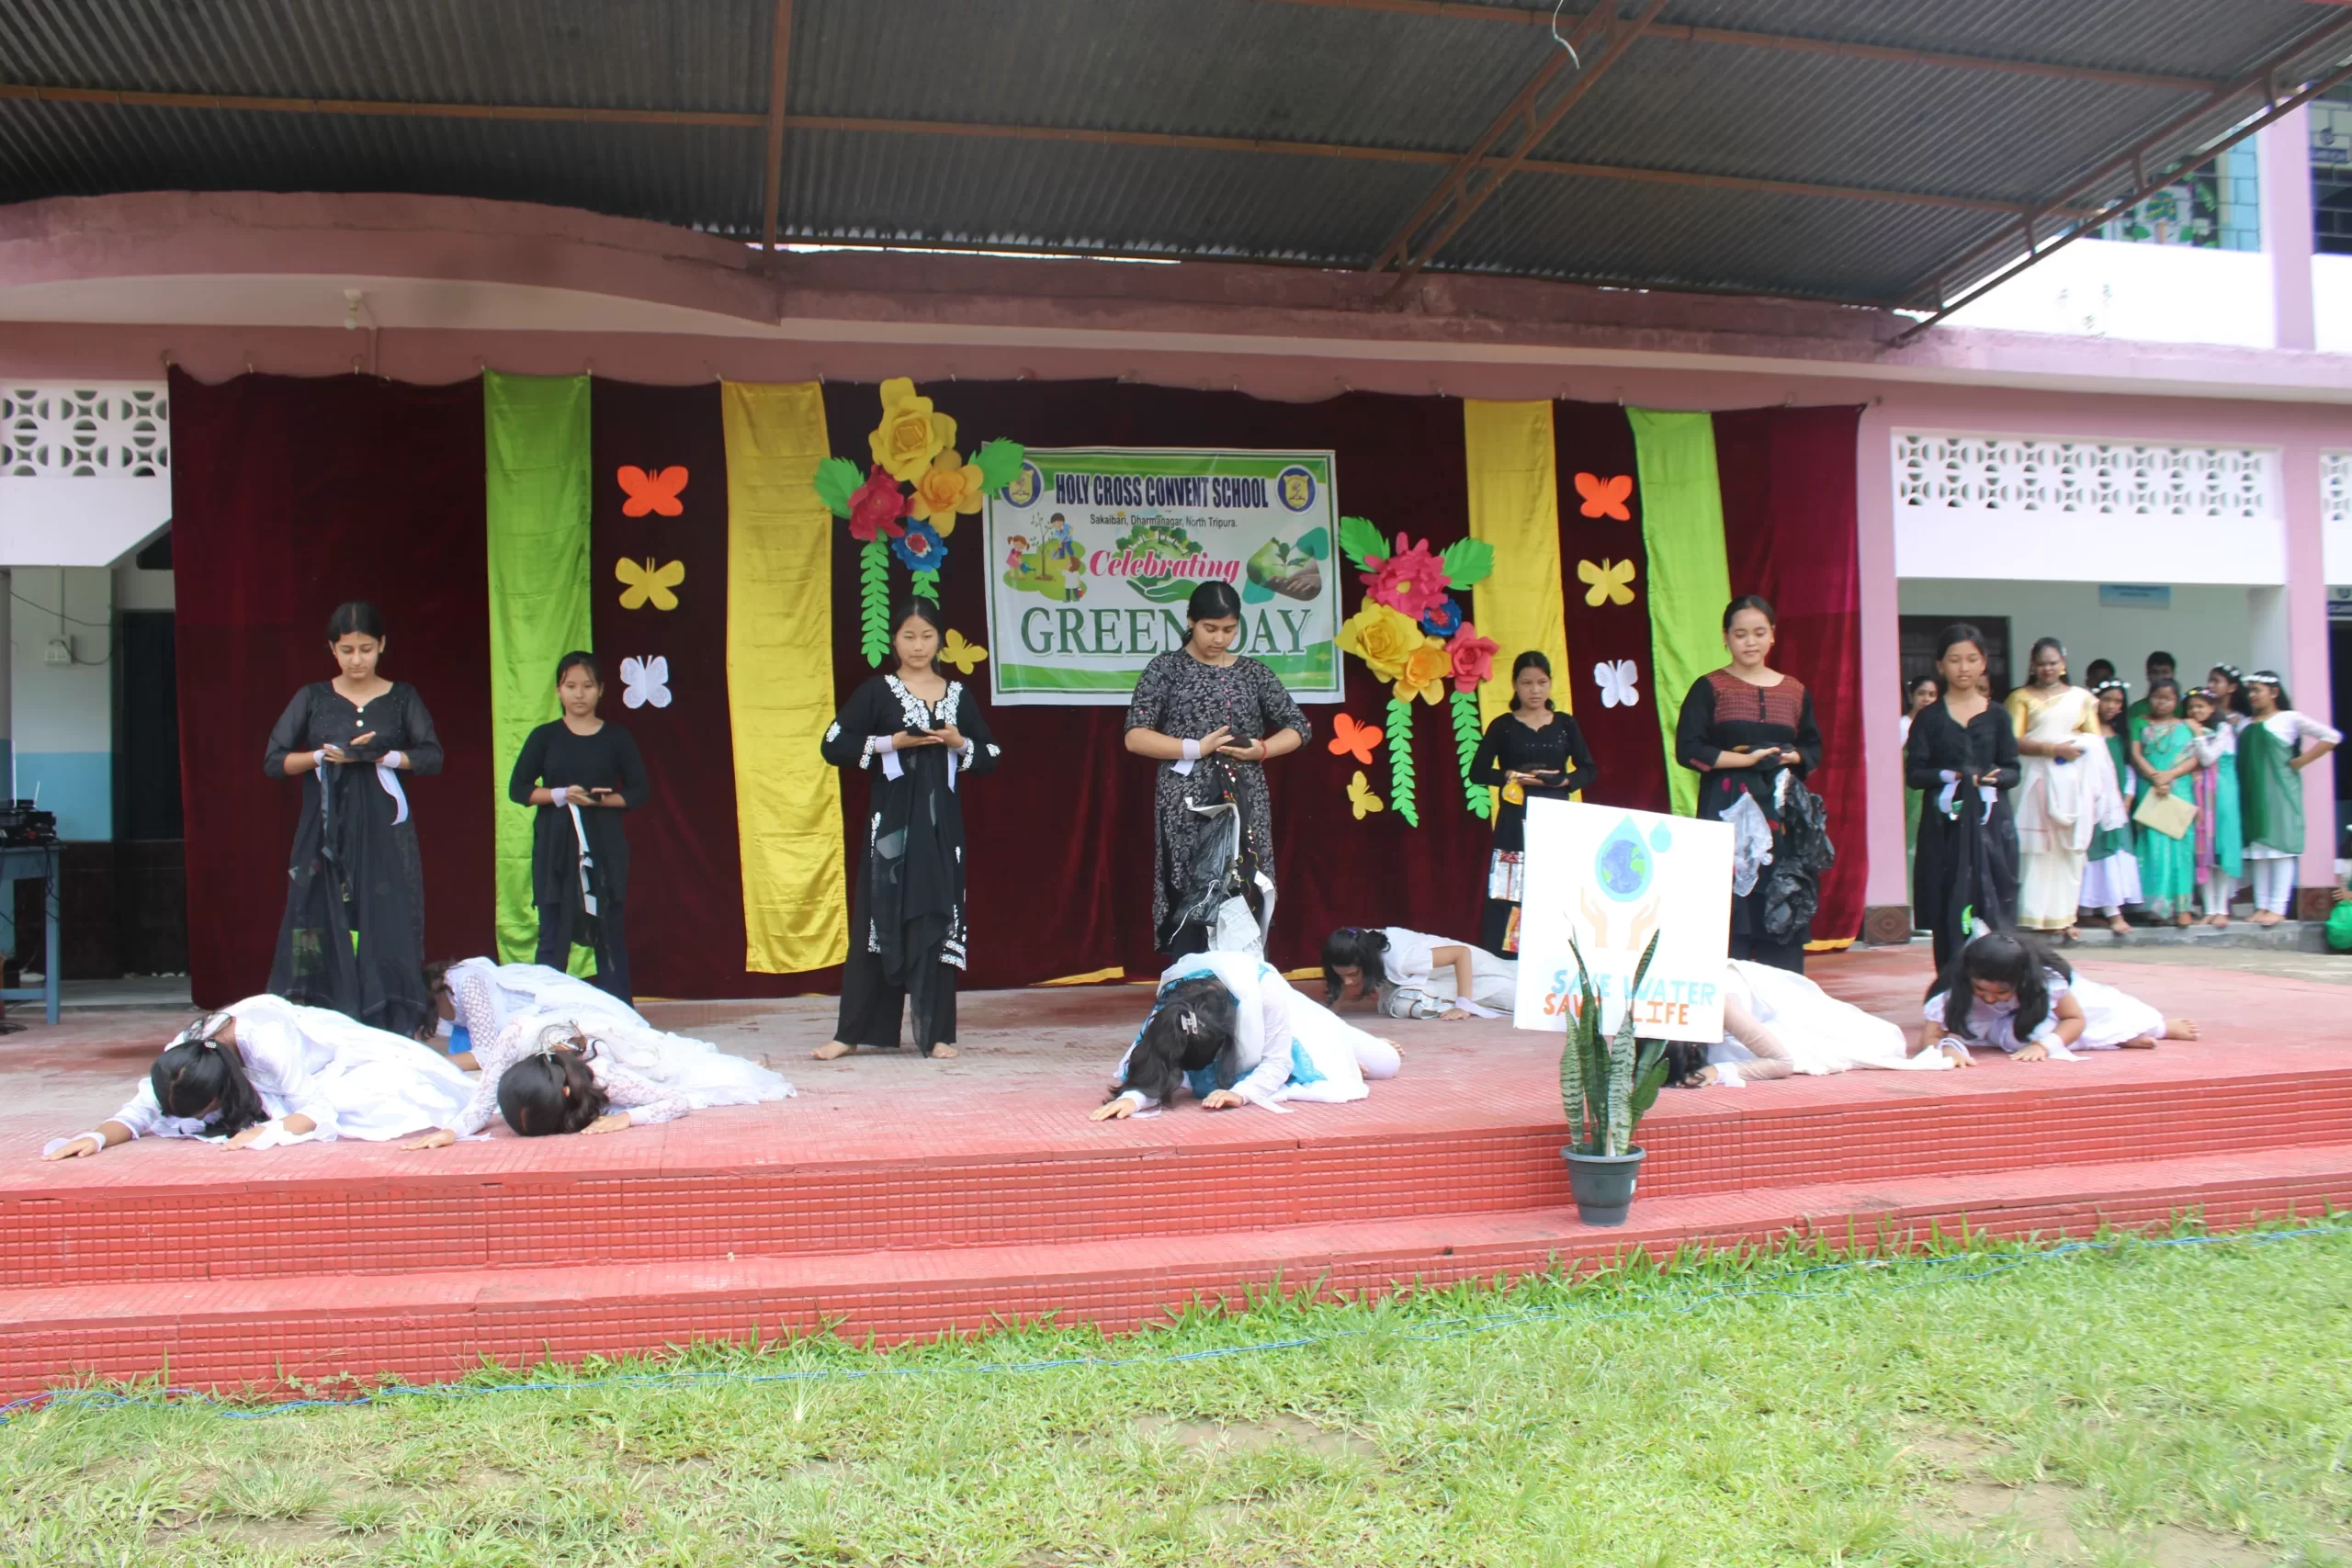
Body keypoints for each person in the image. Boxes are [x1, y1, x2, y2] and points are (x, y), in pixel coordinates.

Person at [817, 601, 1002, 1060]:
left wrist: (959, 742)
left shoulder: (958, 694)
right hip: (891, 830)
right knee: (878, 917)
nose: (918, 646)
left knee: (937, 918)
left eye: (926, 636)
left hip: (942, 833)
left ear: (939, 639)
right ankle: (851, 1033)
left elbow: (992, 754)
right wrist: (890, 742)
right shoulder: (877, 692)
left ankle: (939, 1035)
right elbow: (833, 744)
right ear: (894, 641)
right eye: (908, 636)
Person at [263, 601, 442, 1038]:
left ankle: (387, 1017)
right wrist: (321, 755)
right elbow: (274, 761)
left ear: (382, 645)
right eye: (346, 650)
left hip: (384, 827)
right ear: (332, 649)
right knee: (310, 912)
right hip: (324, 825)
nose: (357, 659)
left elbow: (431, 757)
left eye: (365, 649)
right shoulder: (312, 696)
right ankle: (312, 1009)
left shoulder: (401, 696)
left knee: (387, 915)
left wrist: (383, 755)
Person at [42, 996, 474, 1158]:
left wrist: (268, 1132)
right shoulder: (184, 1054)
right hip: (272, 1076)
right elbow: (142, 1108)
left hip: (330, 1060)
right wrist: (97, 1137)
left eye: (208, 1110)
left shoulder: (267, 1042)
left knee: (374, 1097)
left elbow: (316, 1109)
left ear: (224, 1088)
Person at [1124, 581, 1309, 957]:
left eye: (1229, 629)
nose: (1219, 638)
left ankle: (1244, 978)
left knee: (1244, 880)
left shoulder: (1253, 673)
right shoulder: (1167, 668)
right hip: (1186, 799)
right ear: (1190, 621)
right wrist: (1197, 747)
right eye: (1210, 628)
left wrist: (1263, 749)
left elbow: (1299, 727)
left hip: (1244, 794)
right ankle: (1191, 979)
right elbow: (1135, 736)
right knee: (1193, 882)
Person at [1673, 595, 1826, 972]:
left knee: (1781, 900)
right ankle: (1728, 997)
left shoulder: (1794, 690)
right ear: (1725, 637)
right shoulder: (1709, 687)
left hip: (1781, 812)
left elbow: (1813, 747)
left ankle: (1781, 998)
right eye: (1740, 634)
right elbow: (1688, 750)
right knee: (1728, 910)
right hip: (1726, 808)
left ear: (1773, 635)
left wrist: (1791, 757)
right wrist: (1746, 760)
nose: (1750, 642)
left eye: (1759, 632)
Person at [1091, 950, 1401, 1120]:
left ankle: (1343, 1049)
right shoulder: (1173, 1007)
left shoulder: (1264, 990)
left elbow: (1278, 1061)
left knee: (1386, 1064)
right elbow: (1148, 1056)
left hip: (1293, 1020)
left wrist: (1243, 1092)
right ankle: (1341, 1055)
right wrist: (1134, 1098)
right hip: (1260, 1027)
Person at [507, 652, 650, 1003]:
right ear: (558, 690)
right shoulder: (544, 737)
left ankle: (619, 1014)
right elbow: (519, 789)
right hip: (556, 845)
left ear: (601, 689)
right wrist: (561, 794)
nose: (579, 694)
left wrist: (601, 800)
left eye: (587, 686)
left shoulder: (617, 737)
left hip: (604, 845)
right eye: (571, 686)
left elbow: (639, 791)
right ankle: (546, 1013)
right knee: (552, 931)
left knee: (609, 932)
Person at [1905, 623, 2019, 971]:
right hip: (1945, 827)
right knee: (1949, 905)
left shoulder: (1997, 715)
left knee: (1994, 904)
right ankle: (1951, 984)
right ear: (1940, 665)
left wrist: (1994, 778)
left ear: (1984, 662)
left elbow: (2013, 769)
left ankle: (1997, 982)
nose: (1964, 668)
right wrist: (1952, 777)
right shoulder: (1929, 718)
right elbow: (1915, 774)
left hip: (1991, 827)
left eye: (1971, 659)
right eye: (1955, 660)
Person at [1466, 651, 1597, 953]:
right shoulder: (1503, 726)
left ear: (1550, 684)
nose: (1535, 690)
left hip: (1556, 817)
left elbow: (1589, 769)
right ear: (1514, 685)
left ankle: (1557, 949)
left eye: (1542, 682)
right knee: (1510, 883)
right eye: (1527, 683)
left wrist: (1563, 781)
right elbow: (1478, 772)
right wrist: (1510, 775)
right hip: (1515, 818)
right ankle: (1507, 953)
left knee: (1556, 880)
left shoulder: (1565, 724)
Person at [1665, 958, 1961, 1085]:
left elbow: (1782, 1062)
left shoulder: (1721, 1003)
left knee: (1876, 1041)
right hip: (1745, 1011)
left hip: (1780, 1003)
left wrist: (1718, 1072)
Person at [1921, 932, 2196, 1063]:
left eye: (2001, 992)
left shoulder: (2046, 983)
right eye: (1981, 991)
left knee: (2106, 1015)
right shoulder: (1955, 991)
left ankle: (2155, 1029)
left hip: (2042, 1015)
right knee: (2018, 1037)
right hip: (2003, 1028)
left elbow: (2075, 1019)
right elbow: (1931, 1034)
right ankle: (2116, 1041)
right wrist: (1947, 1051)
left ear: (2021, 981)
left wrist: (2044, 1047)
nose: (1990, 1000)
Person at [2005, 638, 2104, 943]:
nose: (2047, 669)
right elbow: (2012, 741)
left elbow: (2095, 741)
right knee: (2036, 848)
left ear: (2063, 663)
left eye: (2053, 663)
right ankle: (2032, 915)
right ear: (2032, 666)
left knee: (2068, 850)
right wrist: (2052, 749)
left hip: (2072, 783)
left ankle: (2064, 916)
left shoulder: (2082, 698)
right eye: (2041, 664)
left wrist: (2074, 750)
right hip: (2035, 780)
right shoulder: (2020, 698)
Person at [2237, 671, 2342, 926]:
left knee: (2280, 848)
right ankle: (2261, 906)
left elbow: (2332, 737)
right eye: (2250, 691)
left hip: (2281, 790)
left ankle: (2278, 907)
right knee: (2259, 851)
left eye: (2257, 690)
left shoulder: (2289, 718)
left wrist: (2301, 761)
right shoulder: (2244, 724)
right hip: (2253, 792)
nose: (2252, 696)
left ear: (2274, 692)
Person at [422, 955, 650, 1064]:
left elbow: (486, 1054)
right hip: (523, 1032)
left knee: (610, 1047)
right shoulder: (434, 1006)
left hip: (546, 1014)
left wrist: (431, 1065)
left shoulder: (466, 982)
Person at [1320, 925, 1516, 1020]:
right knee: (1401, 1001)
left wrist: (1463, 1005)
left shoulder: (1402, 958)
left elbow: (1462, 954)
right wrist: (1332, 1010)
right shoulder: (1359, 941)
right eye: (1341, 976)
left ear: (1366, 962)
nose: (1347, 982)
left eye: (1352, 975)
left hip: (1481, 974)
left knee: (1524, 1002)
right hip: (1441, 978)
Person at [2129, 679, 2199, 927]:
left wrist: (2169, 776)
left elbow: (2195, 757)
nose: (2162, 703)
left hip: (2178, 788)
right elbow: (2135, 754)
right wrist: (2156, 777)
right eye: (2157, 697)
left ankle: (2182, 908)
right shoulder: (2139, 723)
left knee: (2181, 846)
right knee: (2154, 846)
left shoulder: (2187, 726)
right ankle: (2157, 908)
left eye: (2168, 698)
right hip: (2151, 789)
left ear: (2177, 701)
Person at [2077, 680, 2141, 937]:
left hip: (2116, 804)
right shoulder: (2085, 734)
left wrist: (2127, 797)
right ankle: (2097, 911)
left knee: (2114, 852)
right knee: (2096, 852)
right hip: (2092, 801)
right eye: (2107, 700)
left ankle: (2110, 909)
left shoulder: (2120, 735)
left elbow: (2128, 768)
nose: (2112, 706)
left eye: (2118, 702)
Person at [2183, 688, 2245, 927]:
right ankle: (2208, 908)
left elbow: (2209, 758)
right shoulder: (2189, 730)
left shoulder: (2224, 729)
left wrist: (2198, 734)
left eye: (2200, 706)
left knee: (2222, 846)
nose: (2195, 711)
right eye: (2191, 707)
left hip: (2222, 792)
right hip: (2198, 792)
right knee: (2203, 848)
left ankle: (2222, 909)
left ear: (2212, 708)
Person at [1900, 675, 1940, 899]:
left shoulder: (1940, 726)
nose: (1926, 699)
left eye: (1932, 695)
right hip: (1907, 793)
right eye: (1921, 693)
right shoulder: (1901, 725)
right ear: (1911, 696)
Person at [2124, 650, 2176, 739]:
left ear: (2173, 674)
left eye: (2165, 672)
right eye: (2155, 672)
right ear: (2147, 674)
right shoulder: (2135, 709)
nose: (2160, 677)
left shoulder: (2183, 706)